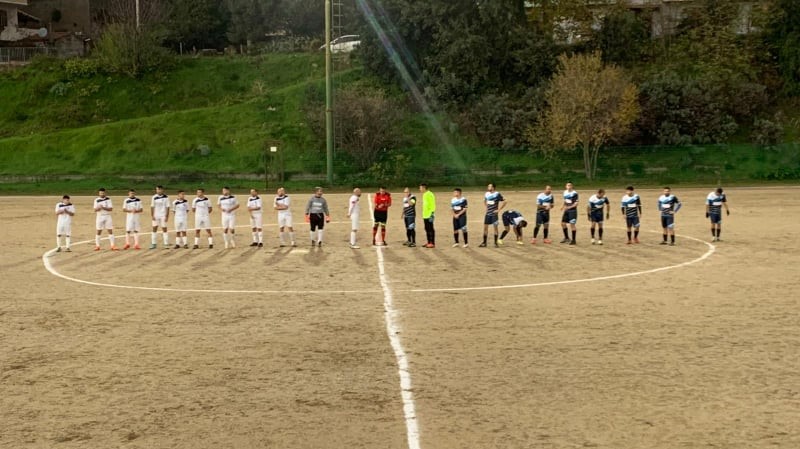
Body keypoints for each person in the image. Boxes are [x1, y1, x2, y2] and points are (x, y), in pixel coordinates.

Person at [480, 183, 506, 247]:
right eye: (488, 186)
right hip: (488, 214)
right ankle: (484, 243)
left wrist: (499, 210)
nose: (488, 187)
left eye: (489, 186)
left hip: (494, 214)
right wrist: (486, 207)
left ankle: (495, 243)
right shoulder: (486, 194)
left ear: (493, 188)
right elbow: (485, 200)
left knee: (495, 228)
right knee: (485, 228)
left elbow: (505, 201)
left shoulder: (497, 194)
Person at [150, 185, 170, 249]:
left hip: (163, 215)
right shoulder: (154, 197)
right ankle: (153, 244)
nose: (158, 191)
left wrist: (167, 216)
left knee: (164, 229)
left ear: (162, 190)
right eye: (157, 189)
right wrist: (152, 215)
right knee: (154, 228)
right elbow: (152, 206)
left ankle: (166, 244)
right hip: (156, 215)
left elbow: (167, 207)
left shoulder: (166, 197)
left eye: (159, 189)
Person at [419, 183, 436, 248]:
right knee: (426, 228)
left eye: (420, 188)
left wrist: (432, 214)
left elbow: (433, 205)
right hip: (425, 215)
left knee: (430, 229)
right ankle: (428, 242)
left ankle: (432, 242)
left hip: (429, 215)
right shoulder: (424, 195)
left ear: (424, 188)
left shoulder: (430, 194)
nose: (419, 189)